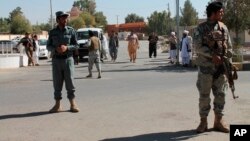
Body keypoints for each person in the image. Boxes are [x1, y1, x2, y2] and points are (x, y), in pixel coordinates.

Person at [194, 2, 232, 133]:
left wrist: (228, 62)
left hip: (220, 69)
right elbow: (197, 47)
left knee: (221, 94)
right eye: (220, 11)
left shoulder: (223, 27)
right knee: (204, 96)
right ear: (213, 13)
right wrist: (212, 55)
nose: (222, 13)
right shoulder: (201, 28)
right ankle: (203, 122)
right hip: (206, 69)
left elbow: (229, 47)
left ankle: (218, 121)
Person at [47, 11, 79, 113]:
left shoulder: (71, 31)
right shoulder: (52, 32)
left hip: (68, 60)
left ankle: (73, 104)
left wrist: (67, 47)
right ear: (58, 19)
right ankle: (57, 105)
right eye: (63, 18)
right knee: (57, 83)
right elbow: (48, 46)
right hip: (56, 60)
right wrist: (55, 49)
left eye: (66, 18)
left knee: (70, 82)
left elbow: (76, 45)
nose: (65, 20)